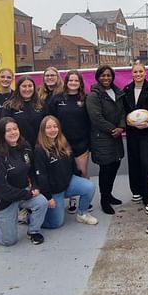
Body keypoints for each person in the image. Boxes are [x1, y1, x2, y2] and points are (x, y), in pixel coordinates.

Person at [0, 117, 48, 246]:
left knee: (42, 202)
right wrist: (28, 195)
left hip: (21, 193)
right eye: (8, 130)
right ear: (2, 134)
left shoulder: (25, 147)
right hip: (2, 201)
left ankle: (33, 231)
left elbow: (31, 170)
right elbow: (1, 189)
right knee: (9, 241)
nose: (13, 132)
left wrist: (34, 186)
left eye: (15, 129)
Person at [32, 116, 99, 229]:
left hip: (68, 183)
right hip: (54, 190)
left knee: (89, 186)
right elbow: (41, 176)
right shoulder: (39, 150)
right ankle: (30, 217)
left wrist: (79, 178)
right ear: (43, 130)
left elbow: (72, 163)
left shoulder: (63, 143)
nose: (53, 130)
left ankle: (82, 214)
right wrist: (48, 198)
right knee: (56, 223)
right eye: (48, 127)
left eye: (55, 126)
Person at [47, 70, 93, 213]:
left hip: (81, 143)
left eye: (76, 81)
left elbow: (90, 121)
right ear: (66, 82)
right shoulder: (57, 99)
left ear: (80, 83)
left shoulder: (85, 99)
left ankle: (85, 200)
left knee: (82, 172)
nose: (73, 83)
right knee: (67, 172)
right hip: (62, 144)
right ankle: (72, 199)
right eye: (70, 80)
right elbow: (50, 120)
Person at [121, 62, 148, 215]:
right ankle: (136, 190)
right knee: (134, 161)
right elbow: (124, 110)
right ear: (132, 73)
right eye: (135, 72)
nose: (138, 74)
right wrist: (128, 121)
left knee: (146, 162)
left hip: (145, 132)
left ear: (145, 73)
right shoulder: (127, 89)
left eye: (140, 72)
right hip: (132, 132)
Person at [86, 65, 126, 215]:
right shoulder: (94, 95)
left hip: (116, 136)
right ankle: (104, 200)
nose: (106, 78)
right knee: (106, 169)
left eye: (108, 75)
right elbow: (96, 117)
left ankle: (109, 195)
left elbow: (123, 112)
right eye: (103, 75)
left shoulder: (117, 92)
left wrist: (121, 127)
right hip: (102, 138)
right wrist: (112, 129)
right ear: (98, 77)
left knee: (115, 164)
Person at [1, 76, 47, 148]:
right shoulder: (9, 106)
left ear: (34, 88)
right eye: (24, 86)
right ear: (18, 88)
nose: (27, 89)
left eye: (30, 86)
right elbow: (4, 128)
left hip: (39, 146)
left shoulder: (42, 105)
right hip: (19, 148)